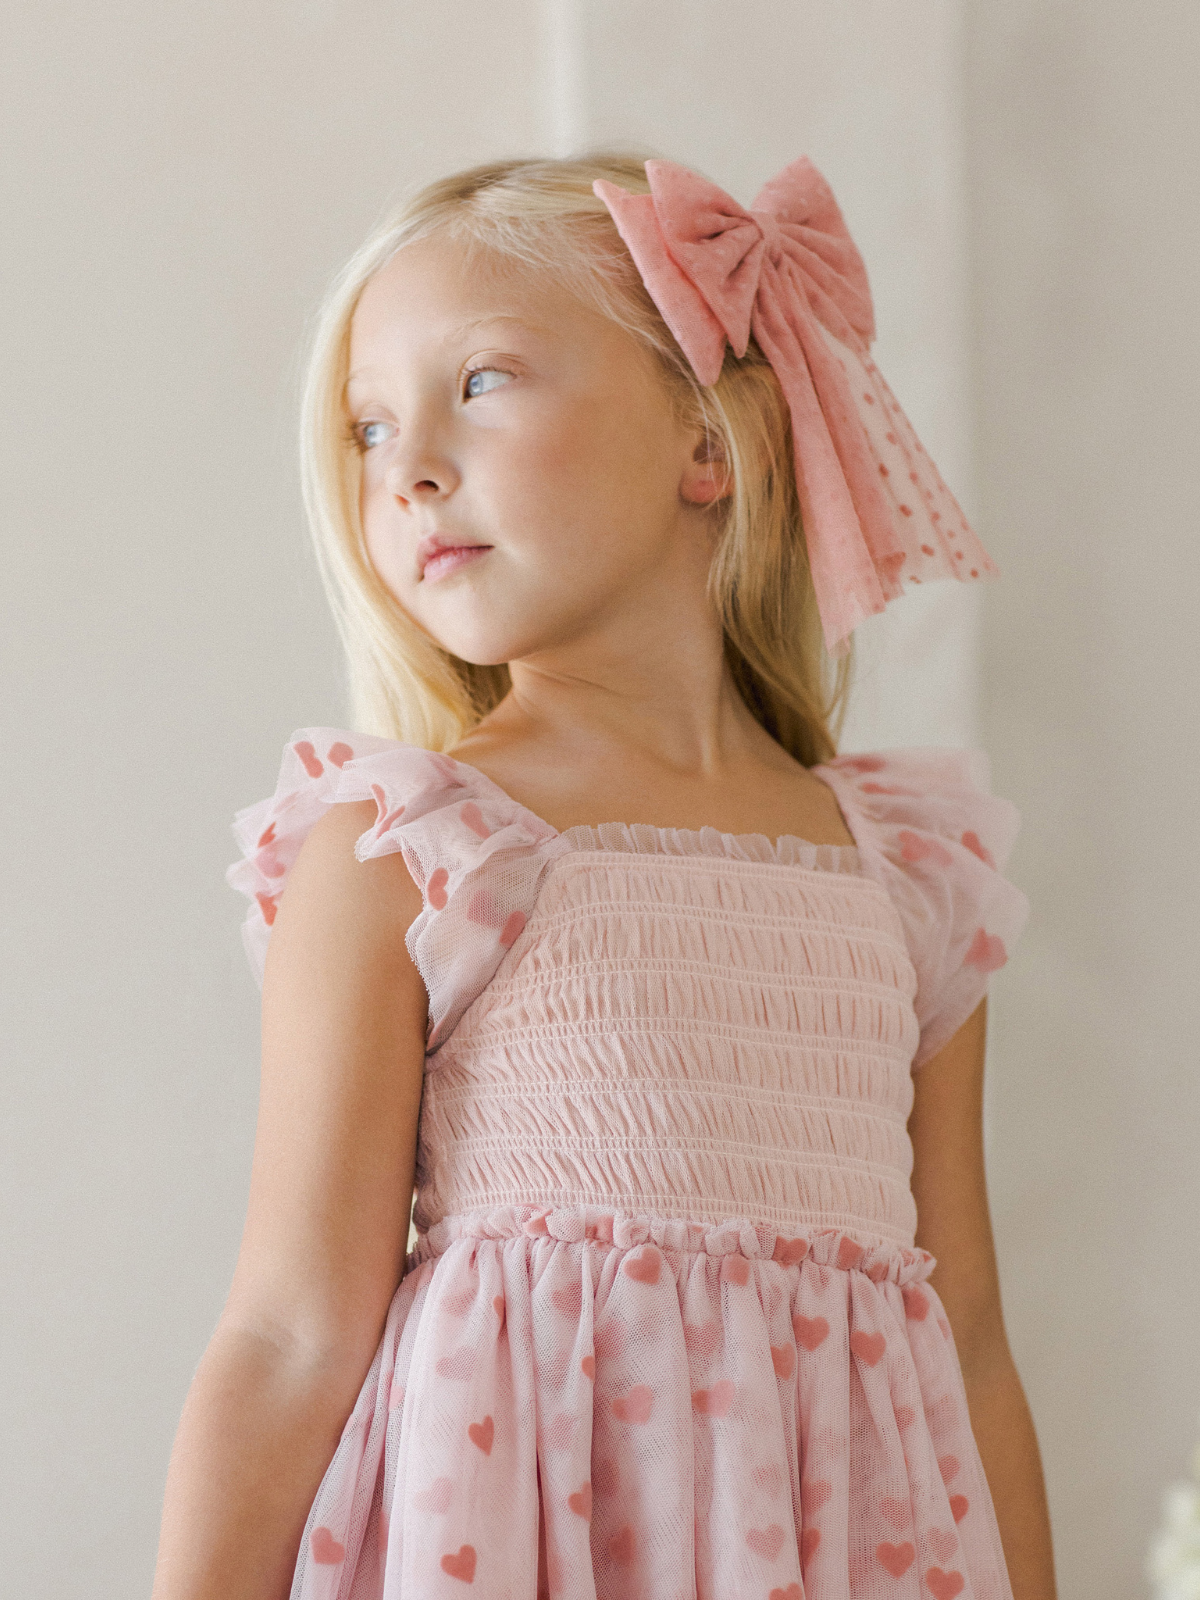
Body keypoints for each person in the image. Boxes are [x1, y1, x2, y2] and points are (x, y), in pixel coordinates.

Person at [151, 151, 1057, 1599]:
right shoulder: (408, 853)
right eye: (369, 427)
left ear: (707, 442)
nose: (407, 467)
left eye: (480, 382)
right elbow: (290, 1336)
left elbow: (973, 1343)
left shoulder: (904, 878)